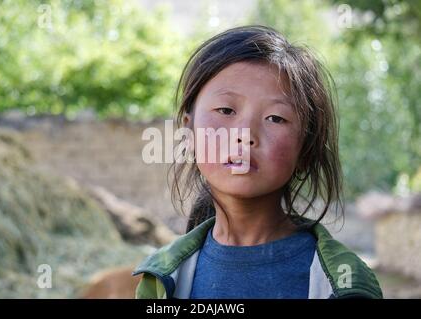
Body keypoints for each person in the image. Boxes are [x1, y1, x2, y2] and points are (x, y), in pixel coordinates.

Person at [133, 25, 382, 299]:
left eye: (276, 118)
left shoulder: (344, 283)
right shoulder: (161, 280)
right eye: (226, 110)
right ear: (189, 133)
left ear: (305, 149)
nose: (245, 135)